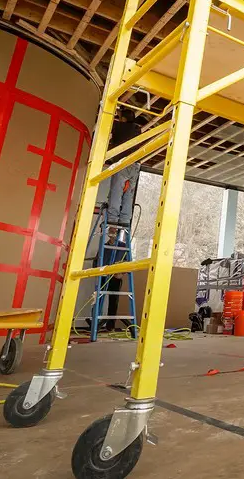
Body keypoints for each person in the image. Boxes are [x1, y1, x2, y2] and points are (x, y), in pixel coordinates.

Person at [97, 107, 142, 332]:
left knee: (114, 199)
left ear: (121, 117)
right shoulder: (136, 129)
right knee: (127, 198)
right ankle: (122, 221)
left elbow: (107, 135)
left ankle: (114, 222)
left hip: (123, 164)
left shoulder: (119, 126)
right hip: (136, 165)